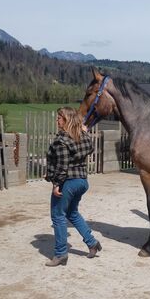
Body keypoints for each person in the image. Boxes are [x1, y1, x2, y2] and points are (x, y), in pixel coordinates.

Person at [45, 106, 102, 266]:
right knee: (72, 213)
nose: (57, 119)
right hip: (82, 181)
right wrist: (84, 132)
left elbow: (62, 166)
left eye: (59, 117)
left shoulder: (61, 140)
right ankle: (92, 243)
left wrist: (56, 184)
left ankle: (61, 254)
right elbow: (90, 148)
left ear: (67, 120)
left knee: (58, 216)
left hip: (68, 182)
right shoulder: (82, 136)